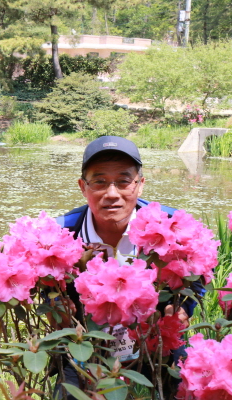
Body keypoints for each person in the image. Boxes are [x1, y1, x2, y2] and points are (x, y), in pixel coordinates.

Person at [53, 136, 204, 399]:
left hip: (155, 338)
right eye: (99, 181)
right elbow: (44, 282)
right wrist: (58, 311)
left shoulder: (171, 224)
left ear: (140, 185)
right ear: (82, 187)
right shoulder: (62, 231)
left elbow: (198, 271)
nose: (112, 194)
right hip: (86, 342)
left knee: (180, 389)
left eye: (123, 181)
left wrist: (182, 309)